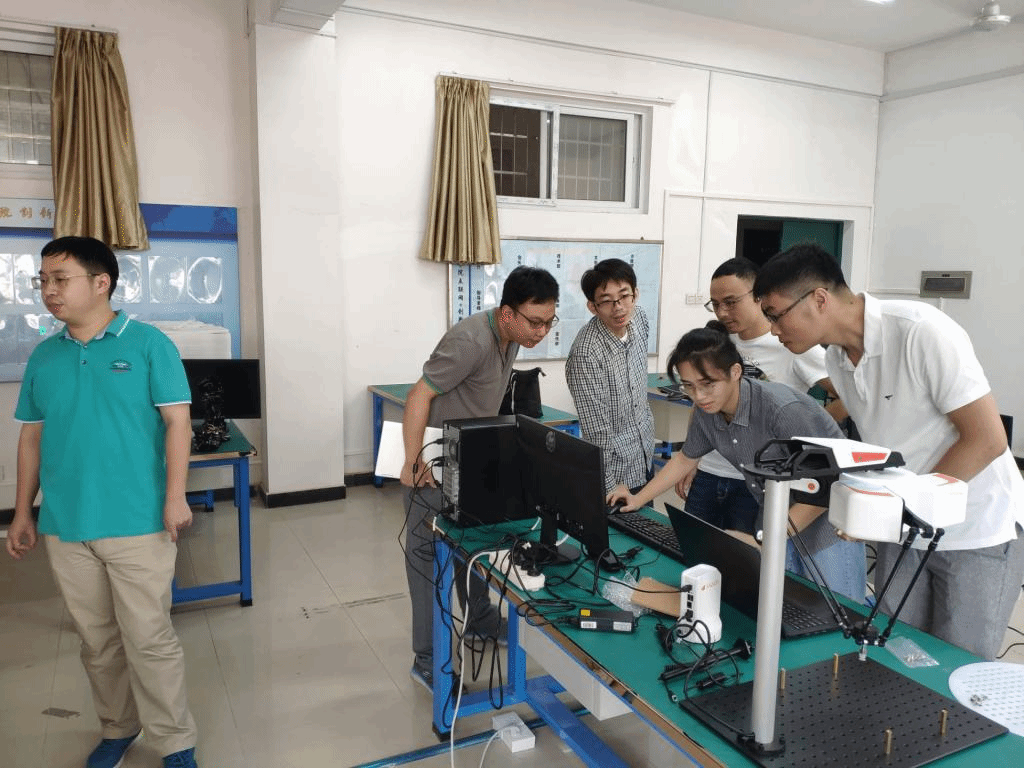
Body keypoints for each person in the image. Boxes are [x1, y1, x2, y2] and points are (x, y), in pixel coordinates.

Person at [754, 243, 1024, 659]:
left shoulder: (920, 331)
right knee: (898, 655)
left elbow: (987, 440)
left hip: (976, 529)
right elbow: (884, 449)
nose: (773, 329)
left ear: (819, 299)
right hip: (906, 526)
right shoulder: (838, 360)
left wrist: (900, 509)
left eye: (776, 315)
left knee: (957, 667)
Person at [6, 237, 199, 768]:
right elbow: (31, 436)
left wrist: (176, 498)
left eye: (59, 279)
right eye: (42, 280)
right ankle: (118, 728)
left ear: (100, 283)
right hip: (66, 523)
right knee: (96, 640)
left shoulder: (148, 344)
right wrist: (23, 512)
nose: (48, 290)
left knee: (149, 637)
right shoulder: (45, 355)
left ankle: (175, 742)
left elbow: (177, 422)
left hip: (138, 518)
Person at [609, 327, 867, 604]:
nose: (699, 396)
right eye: (689, 386)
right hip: (775, 519)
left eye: (707, 384)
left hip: (827, 526)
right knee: (783, 608)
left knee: (838, 611)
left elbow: (829, 483)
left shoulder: (782, 409)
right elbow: (686, 458)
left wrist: (769, 540)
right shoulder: (709, 411)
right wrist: (638, 498)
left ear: (735, 372)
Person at [401, 265, 559, 691]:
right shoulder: (470, 341)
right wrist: (413, 460)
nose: (542, 332)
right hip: (433, 470)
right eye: (535, 322)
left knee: (472, 549)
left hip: (469, 464)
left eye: (549, 322)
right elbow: (419, 395)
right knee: (426, 564)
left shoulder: (513, 337)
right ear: (507, 313)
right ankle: (427, 660)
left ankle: (480, 621)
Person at [680, 257, 847, 533]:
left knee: (746, 554)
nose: (722, 312)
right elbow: (700, 407)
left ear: (758, 296)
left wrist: (808, 434)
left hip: (758, 482)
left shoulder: (791, 343)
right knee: (692, 545)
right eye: (715, 304)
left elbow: (849, 396)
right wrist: (691, 458)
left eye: (731, 302)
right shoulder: (718, 343)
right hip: (710, 472)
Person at [565, 258, 655, 494]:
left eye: (624, 296)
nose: (618, 307)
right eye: (606, 301)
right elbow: (597, 433)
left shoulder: (640, 319)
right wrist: (609, 490)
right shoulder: (586, 354)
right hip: (615, 476)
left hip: (645, 456)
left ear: (635, 294)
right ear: (592, 307)